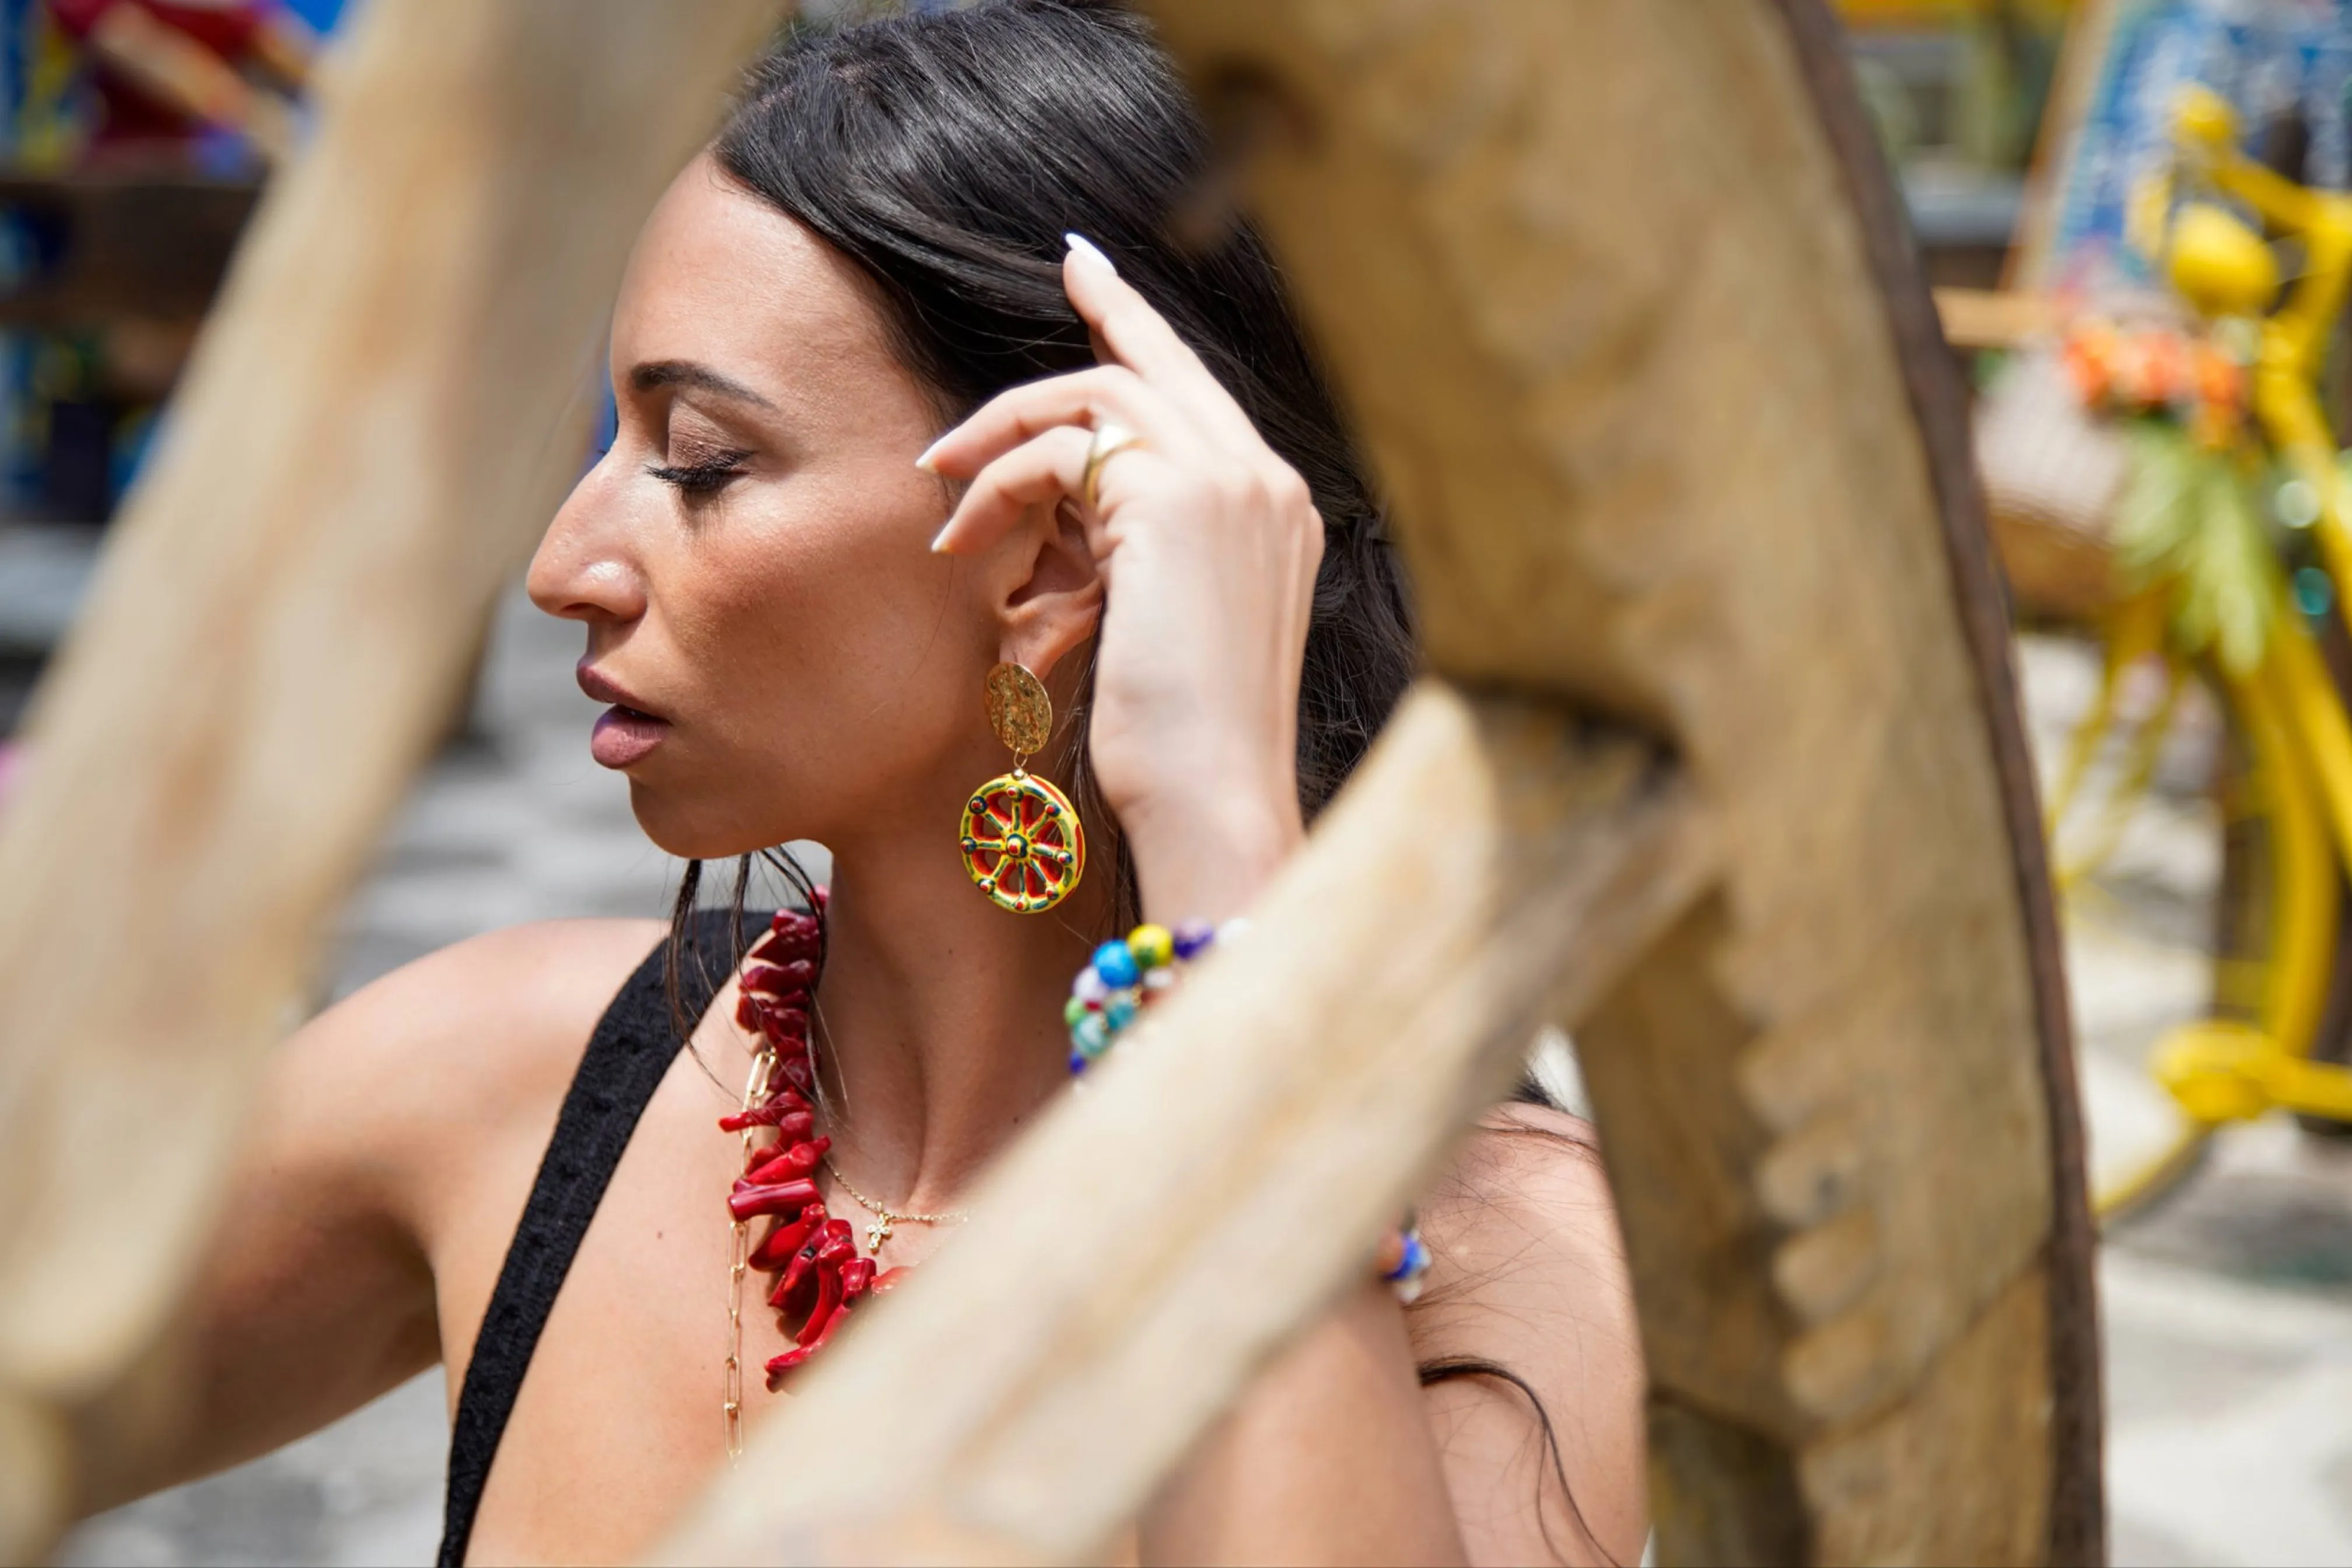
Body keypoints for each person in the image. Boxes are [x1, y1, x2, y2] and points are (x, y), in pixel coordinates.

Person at [69, 3, 1646, 1563]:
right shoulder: (498, 1078)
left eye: (694, 460)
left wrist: (1220, 830)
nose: (563, 567)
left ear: (1056, 546)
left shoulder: (1501, 1256)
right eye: (599, 442)